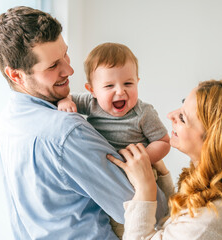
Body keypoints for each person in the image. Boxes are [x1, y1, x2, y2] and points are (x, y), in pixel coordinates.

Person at [0, 6, 168, 240]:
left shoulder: (8, 120)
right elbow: (152, 213)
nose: (69, 69)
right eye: (53, 66)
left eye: (65, 54)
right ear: (16, 75)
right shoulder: (67, 131)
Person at [108, 80, 222, 240]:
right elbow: (180, 227)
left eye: (182, 118)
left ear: (212, 142)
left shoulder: (213, 216)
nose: (171, 115)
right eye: (181, 104)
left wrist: (144, 190)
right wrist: (162, 177)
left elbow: (195, 226)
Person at [57, 42, 171, 238]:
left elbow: (164, 141)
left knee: (133, 223)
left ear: (137, 81)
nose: (120, 91)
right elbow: (67, 97)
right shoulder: (91, 103)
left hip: (139, 174)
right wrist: (65, 101)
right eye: (109, 86)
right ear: (92, 89)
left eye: (128, 83)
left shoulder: (143, 113)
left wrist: (142, 160)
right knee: (107, 218)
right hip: (108, 177)